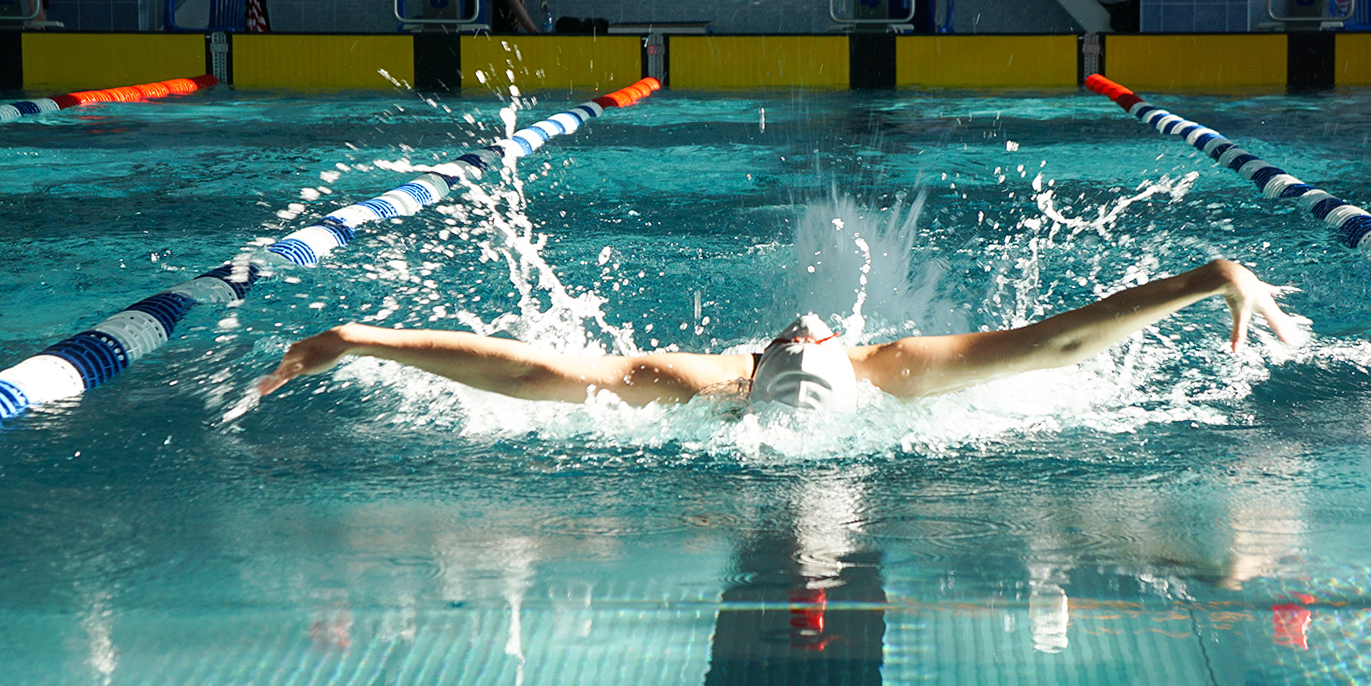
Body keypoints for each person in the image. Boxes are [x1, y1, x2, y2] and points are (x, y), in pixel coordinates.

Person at [257, 258, 1300, 412]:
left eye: (807, 335)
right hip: (810, 389)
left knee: (604, 381)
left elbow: (537, 372)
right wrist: (365, 338)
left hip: (774, 390)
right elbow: (1061, 342)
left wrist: (368, 338)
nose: (807, 334)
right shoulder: (889, 376)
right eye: (804, 337)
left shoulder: (716, 388)